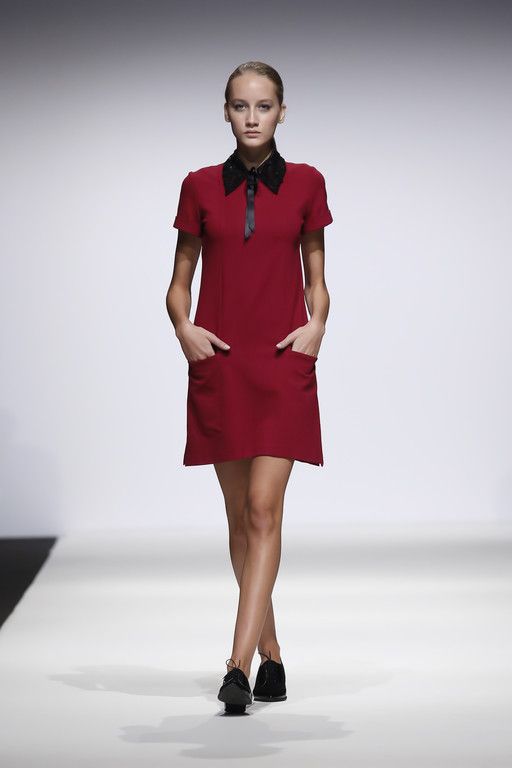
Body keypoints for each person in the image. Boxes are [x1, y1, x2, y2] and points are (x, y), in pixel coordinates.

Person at [165, 60, 333, 713]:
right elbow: (179, 280)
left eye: (264, 105)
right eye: (241, 105)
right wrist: (185, 329)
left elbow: (317, 277)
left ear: (282, 111)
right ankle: (273, 656)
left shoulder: (308, 183)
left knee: (264, 509)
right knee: (240, 517)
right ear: (227, 112)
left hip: (283, 362)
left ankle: (235, 665)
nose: (253, 116)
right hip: (225, 362)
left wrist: (316, 327)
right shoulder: (199, 186)